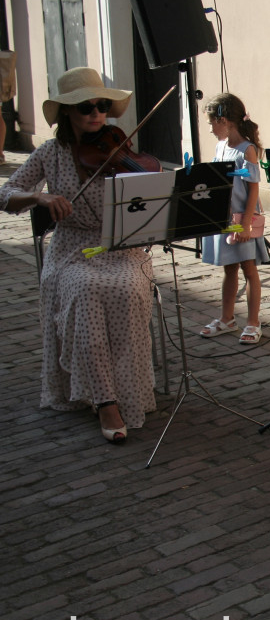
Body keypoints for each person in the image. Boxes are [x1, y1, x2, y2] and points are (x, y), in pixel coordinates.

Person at [0, 67, 155, 442]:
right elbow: (5, 194)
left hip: (122, 247)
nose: (96, 114)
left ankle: (127, 387)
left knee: (129, 291)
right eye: (86, 107)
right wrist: (39, 196)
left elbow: (152, 202)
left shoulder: (119, 149)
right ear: (68, 113)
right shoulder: (50, 153)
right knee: (85, 292)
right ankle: (105, 401)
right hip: (72, 250)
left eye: (102, 106)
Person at [198, 92, 268, 345]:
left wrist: (246, 224)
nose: (209, 129)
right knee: (230, 269)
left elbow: (253, 189)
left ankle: (253, 322)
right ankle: (227, 318)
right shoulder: (221, 147)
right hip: (225, 219)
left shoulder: (246, 150)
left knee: (249, 269)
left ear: (225, 120)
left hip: (241, 219)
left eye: (211, 123)